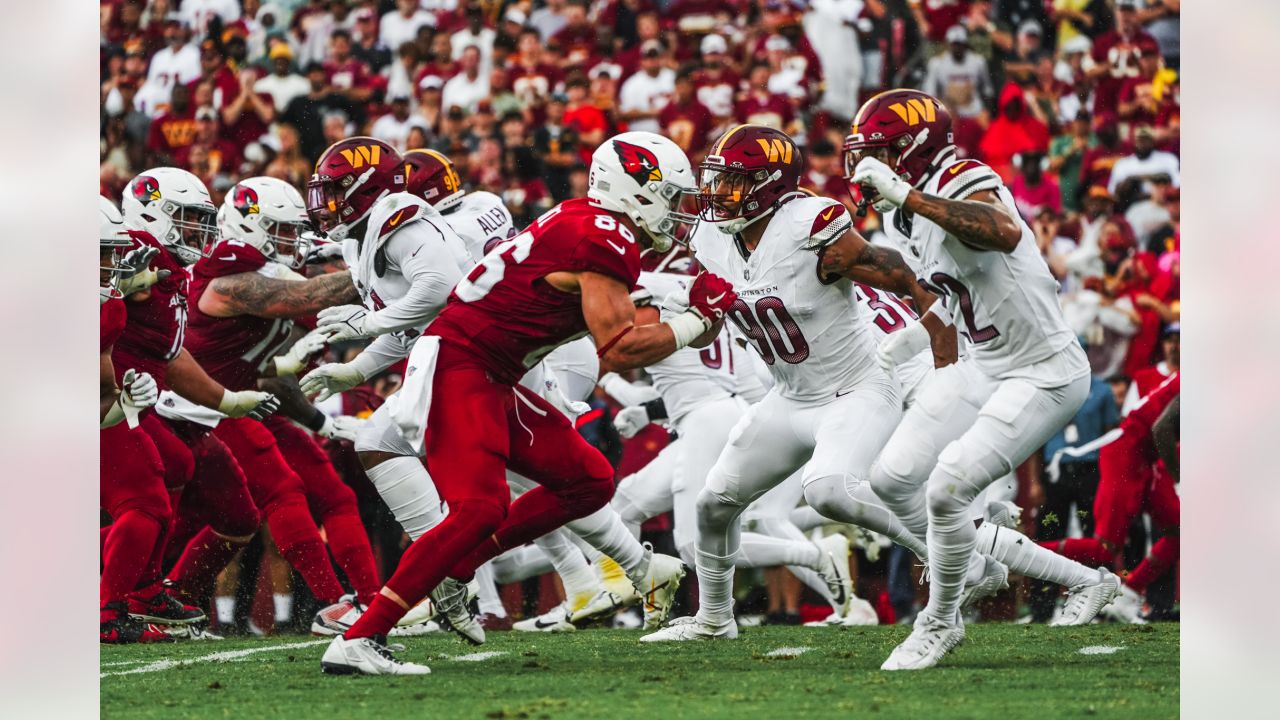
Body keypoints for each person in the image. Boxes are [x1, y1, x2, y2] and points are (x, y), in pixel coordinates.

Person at [315, 131, 736, 675]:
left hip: (493, 371)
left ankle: (453, 568)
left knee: (588, 477)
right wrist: (696, 318)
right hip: (461, 366)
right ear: (636, 189)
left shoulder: (590, 221)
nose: (679, 213)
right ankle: (362, 636)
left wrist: (698, 321)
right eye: (673, 198)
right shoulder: (603, 234)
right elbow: (620, 344)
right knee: (479, 508)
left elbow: (639, 330)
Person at [640, 124, 948, 643]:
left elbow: (899, 273)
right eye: (715, 181)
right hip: (790, 395)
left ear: (769, 186)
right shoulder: (711, 236)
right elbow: (714, 330)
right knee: (712, 507)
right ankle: (716, 620)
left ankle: (941, 549)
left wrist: (941, 339)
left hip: (857, 386)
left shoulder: (811, 223)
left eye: (732, 183)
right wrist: (694, 320)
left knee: (829, 491)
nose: (717, 195)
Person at [845, 89, 1112, 670]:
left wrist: (908, 195)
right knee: (892, 478)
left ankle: (940, 622)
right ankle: (986, 567)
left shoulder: (960, 173)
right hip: (985, 365)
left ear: (913, 151)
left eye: (881, 153)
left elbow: (1002, 231)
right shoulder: (901, 213)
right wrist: (914, 337)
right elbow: (957, 293)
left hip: (1043, 371)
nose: (870, 168)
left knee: (946, 488)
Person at [181, 176, 384, 631]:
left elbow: (274, 372)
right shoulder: (226, 275)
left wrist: (320, 424)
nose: (292, 240)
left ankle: (369, 601)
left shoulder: (265, 274)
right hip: (209, 410)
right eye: (282, 229)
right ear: (248, 225)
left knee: (336, 495)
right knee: (280, 496)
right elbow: (303, 296)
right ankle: (333, 604)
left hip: (249, 405)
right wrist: (378, 268)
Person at [99, 196, 171, 644]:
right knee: (145, 503)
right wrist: (120, 402)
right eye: (101, 253)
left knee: (150, 501)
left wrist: (121, 396)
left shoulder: (104, 295)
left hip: (100, 413)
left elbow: (101, 360)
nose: (110, 263)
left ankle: (111, 605)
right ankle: (106, 612)